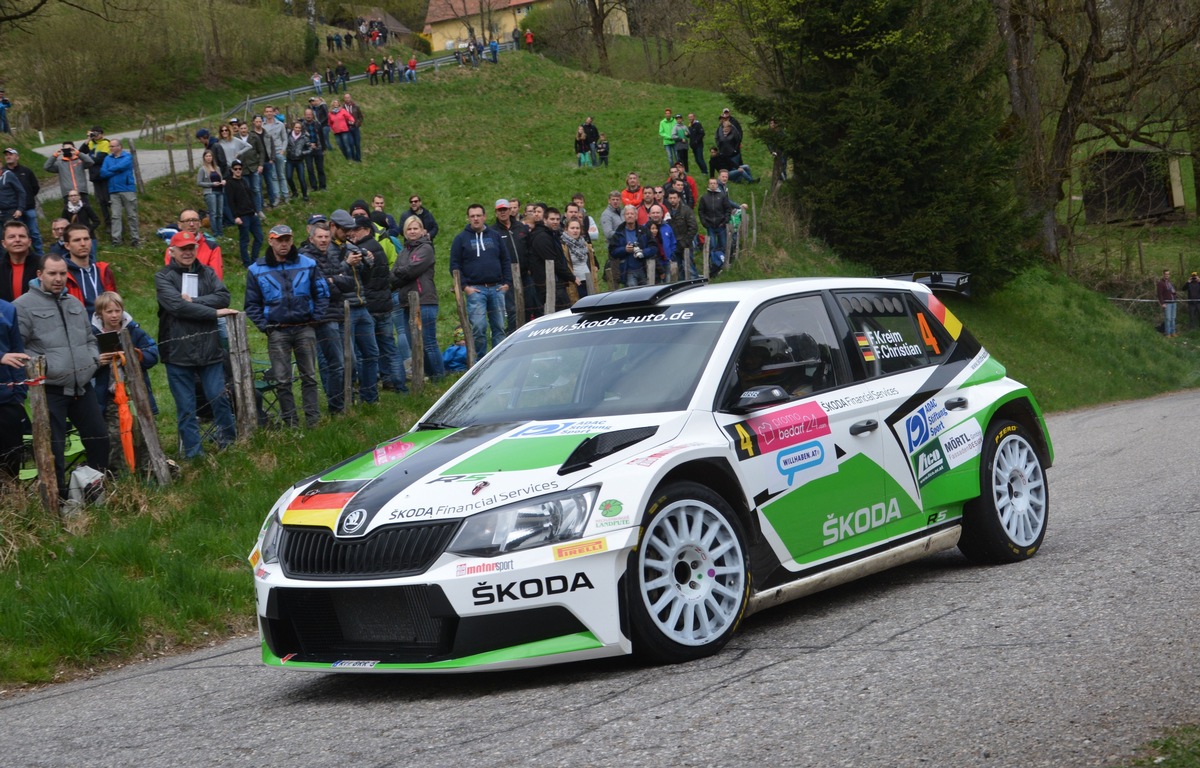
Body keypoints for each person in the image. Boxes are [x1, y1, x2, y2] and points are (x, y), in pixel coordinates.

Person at [14, 252, 109, 494]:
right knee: (53, 449)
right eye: (52, 273)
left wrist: (91, 360)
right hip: (50, 390)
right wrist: (45, 368)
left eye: (62, 273)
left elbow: (89, 339)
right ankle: (58, 498)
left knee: (99, 438)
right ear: (39, 275)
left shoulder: (74, 304)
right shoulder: (22, 306)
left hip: (82, 386)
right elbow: (18, 347)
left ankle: (94, 490)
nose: (58, 279)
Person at [156, 231, 238, 459]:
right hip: (177, 353)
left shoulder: (208, 273)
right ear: (172, 251)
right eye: (182, 248)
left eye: (191, 247)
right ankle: (194, 455)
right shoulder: (163, 277)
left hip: (209, 349)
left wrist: (197, 302)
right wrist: (212, 312)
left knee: (219, 397)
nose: (188, 252)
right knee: (186, 408)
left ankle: (229, 444)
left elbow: (224, 297)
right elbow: (176, 307)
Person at [245, 225, 329, 428]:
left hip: (304, 327)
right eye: (279, 240)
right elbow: (251, 303)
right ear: (271, 241)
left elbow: (322, 292)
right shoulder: (256, 269)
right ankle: (291, 422)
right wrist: (265, 326)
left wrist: (315, 319)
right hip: (277, 330)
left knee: (309, 376)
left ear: (292, 241)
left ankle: (313, 421)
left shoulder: (308, 264)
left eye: (287, 240)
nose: (284, 244)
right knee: (282, 381)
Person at [91, 290, 158, 472]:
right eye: (109, 312)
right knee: (115, 436)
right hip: (109, 396)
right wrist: (98, 362)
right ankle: (119, 475)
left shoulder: (134, 331)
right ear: (100, 314)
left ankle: (149, 469)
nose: (114, 315)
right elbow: (83, 363)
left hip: (135, 393)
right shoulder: (92, 335)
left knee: (143, 431)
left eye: (117, 311)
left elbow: (153, 353)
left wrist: (137, 355)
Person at [337, 211, 391, 403]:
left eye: (352, 230)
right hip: (346, 308)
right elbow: (332, 277)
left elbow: (369, 273)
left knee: (372, 353)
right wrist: (346, 264)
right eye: (346, 230)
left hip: (364, 304)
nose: (349, 233)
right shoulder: (331, 250)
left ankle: (370, 397)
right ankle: (347, 399)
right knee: (349, 357)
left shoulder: (353, 247)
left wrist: (366, 260)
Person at [449, 204, 510, 355]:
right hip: (476, 290)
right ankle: (481, 362)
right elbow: (454, 265)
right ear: (468, 218)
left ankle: (499, 359)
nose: (476, 219)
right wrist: (465, 287)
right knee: (479, 328)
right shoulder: (460, 239)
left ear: (484, 216)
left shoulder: (495, 236)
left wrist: (507, 283)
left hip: (497, 288)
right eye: (472, 216)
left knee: (500, 327)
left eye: (478, 215)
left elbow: (505, 260)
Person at [298, 216, 345, 414]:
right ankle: (336, 406)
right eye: (320, 237)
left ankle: (337, 404)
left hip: (335, 314)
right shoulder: (306, 260)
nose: (324, 240)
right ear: (311, 238)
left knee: (336, 362)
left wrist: (334, 282)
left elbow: (346, 283)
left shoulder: (331, 255)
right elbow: (318, 289)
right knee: (334, 363)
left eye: (326, 236)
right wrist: (334, 282)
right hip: (323, 317)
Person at [392, 216, 445, 381]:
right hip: (407, 302)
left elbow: (411, 270)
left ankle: (439, 378)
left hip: (425, 300)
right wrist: (402, 271)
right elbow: (394, 275)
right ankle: (429, 375)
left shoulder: (426, 248)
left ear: (422, 230)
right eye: (409, 229)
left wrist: (401, 271)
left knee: (428, 342)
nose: (412, 231)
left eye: (415, 228)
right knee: (414, 343)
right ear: (405, 232)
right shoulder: (403, 251)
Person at [0, 294, 29, 480]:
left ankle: (12, 502)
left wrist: (19, 392)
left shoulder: (7, 309)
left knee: (11, 457)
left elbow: (17, 350)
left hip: (8, 397)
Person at [491, 198, 530, 331]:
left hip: (525, 275)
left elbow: (529, 248)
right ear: (496, 212)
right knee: (512, 310)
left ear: (510, 210)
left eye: (505, 209)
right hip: (507, 277)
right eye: (499, 210)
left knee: (529, 307)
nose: (503, 213)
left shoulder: (521, 227)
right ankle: (513, 336)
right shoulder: (492, 232)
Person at [62, 224, 116, 319]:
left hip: (107, 326)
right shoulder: (62, 274)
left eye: (86, 239)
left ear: (91, 241)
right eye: (77, 240)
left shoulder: (103, 270)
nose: (83, 243)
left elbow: (115, 302)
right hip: (79, 327)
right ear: (67, 245)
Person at [163, 209, 224, 279]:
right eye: (187, 221)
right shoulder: (172, 249)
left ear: (200, 223)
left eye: (195, 220)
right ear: (179, 225)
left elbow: (216, 278)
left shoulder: (212, 248)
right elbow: (170, 277)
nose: (191, 224)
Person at [99, 139, 139, 247]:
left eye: (113, 146)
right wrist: (115, 170)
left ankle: (135, 239)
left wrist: (110, 170)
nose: (111, 148)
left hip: (127, 189)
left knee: (132, 215)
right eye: (110, 146)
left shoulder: (127, 157)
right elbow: (102, 173)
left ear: (119, 146)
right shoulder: (107, 158)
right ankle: (116, 240)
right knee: (115, 216)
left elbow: (122, 166)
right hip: (113, 190)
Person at [4, 148, 41, 255]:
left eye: (11, 154)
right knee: (17, 235)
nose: (8, 156)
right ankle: (24, 255)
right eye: (6, 155)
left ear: (17, 157)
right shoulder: (4, 174)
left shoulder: (26, 171)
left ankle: (39, 255)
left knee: (34, 233)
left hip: (29, 208)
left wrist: (27, 199)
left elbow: (35, 187)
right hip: (13, 211)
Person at [226, 161, 262, 267]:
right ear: (232, 170)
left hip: (251, 214)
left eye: (240, 169)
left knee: (259, 237)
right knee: (244, 240)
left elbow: (250, 196)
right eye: (235, 169)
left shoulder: (244, 181)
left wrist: (255, 210)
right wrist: (235, 216)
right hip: (242, 216)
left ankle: (254, 260)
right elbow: (230, 202)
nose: (238, 171)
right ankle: (247, 263)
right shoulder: (230, 183)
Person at [699, 177, 737, 276]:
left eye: (714, 183)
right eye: (711, 183)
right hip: (710, 226)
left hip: (721, 225)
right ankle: (714, 265)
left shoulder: (722, 196)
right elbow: (701, 211)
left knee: (724, 245)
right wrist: (704, 223)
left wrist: (725, 221)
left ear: (717, 184)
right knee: (712, 246)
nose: (712, 185)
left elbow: (728, 209)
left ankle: (724, 264)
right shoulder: (704, 197)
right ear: (708, 185)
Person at [608, 205, 653, 287]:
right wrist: (624, 249)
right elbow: (612, 251)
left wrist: (643, 252)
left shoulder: (644, 230)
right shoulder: (619, 233)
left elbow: (653, 247)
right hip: (628, 270)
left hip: (644, 268)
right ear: (624, 217)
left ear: (636, 216)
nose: (629, 216)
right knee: (633, 295)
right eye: (627, 214)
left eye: (632, 214)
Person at [0, 220, 39, 302]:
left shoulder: (43, 265)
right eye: (11, 237)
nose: (17, 240)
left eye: (22, 236)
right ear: (4, 244)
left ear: (29, 242)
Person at [261, 105, 289, 207]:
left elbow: (285, 138)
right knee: (273, 176)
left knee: (281, 174)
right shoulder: (262, 126)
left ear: (273, 113)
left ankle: (286, 195)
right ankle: (277, 196)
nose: (269, 113)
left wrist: (283, 150)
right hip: (269, 155)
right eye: (267, 111)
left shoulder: (280, 124)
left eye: (270, 111)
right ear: (264, 113)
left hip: (278, 151)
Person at [560, 218, 594, 302]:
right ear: (566, 229)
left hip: (588, 278)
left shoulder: (584, 243)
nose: (575, 231)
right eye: (572, 228)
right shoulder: (563, 245)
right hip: (574, 281)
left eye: (577, 228)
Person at [197, 149, 226, 238]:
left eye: (210, 156)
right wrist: (211, 184)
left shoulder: (217, 168)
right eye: (207, 156)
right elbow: (199, 182)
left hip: (220, 191)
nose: (209, 158)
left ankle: (221, 233)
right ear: (204, 158)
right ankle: (215, 233)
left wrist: (223, 182)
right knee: (213, 213)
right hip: (210, 193)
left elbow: (220, 178)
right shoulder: (202, 169)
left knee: (220, 213)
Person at [283, 121, 311, 203]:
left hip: (299, 161)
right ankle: (294, 192)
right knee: (288, 177)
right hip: (289, 160)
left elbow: (310, 148)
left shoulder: (304, 137)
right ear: (293, 128)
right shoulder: (288, 135)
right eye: (296, 127)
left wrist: (302, 153)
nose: (297, 129)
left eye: (299, 128)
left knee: (302, 179)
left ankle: (305, 195)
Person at [0, 151, 27, 225]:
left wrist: (20, 209)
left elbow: (21, 191)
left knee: (13, 232)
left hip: (10, 211)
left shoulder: (9, 175)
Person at [342, 93, 364, 162]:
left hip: (355, 127)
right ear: (344, 99)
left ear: (350, 98)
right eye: (346, 98)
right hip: (347, 128)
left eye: (348, 97)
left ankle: (358, 158)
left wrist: (357, 124)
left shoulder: (356, 106)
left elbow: (360, 117)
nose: (347, 99)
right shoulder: (342, 108)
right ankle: (353, 158)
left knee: (357, 144)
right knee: (351, 143)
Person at [1157, 269, 1178, 337]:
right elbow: (1159, 294)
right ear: (1163, 274)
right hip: (1167, 303)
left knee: (1173, 318)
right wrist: (1162, 303)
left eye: (1168, 274)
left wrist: (1174, 294)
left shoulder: (1170, 283)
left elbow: (1173, 292)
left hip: (1173, 302)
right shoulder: (1160, 283)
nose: (1167, 275)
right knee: (1168, 318)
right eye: (1166, 274)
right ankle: (1167, 333)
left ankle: (1173, 332)